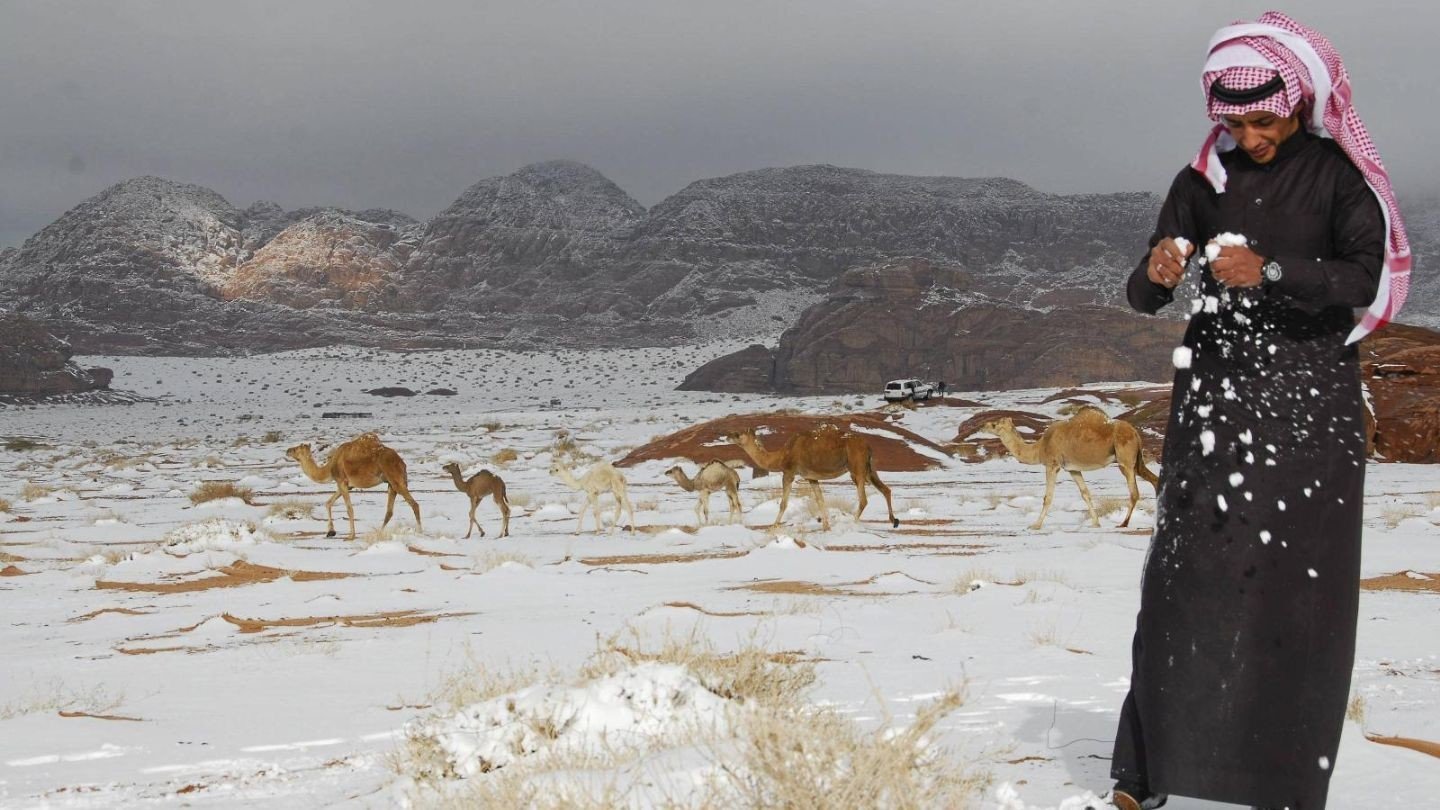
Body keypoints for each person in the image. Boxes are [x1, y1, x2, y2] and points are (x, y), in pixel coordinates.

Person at [1105, 12, 1411, 810]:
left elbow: (1362, 278)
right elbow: (1143, 296)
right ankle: (1147, 773)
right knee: (1184, 580)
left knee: (1297, 590)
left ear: (1298, 101)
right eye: (1233, 121)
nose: (1250, 133)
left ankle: (1281, 782)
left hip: (1311, 405)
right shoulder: (1198, 184)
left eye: (1264, 119)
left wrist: (1270, 270)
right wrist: (1159, 269)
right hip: (1214, 400)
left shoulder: (1340, 179)